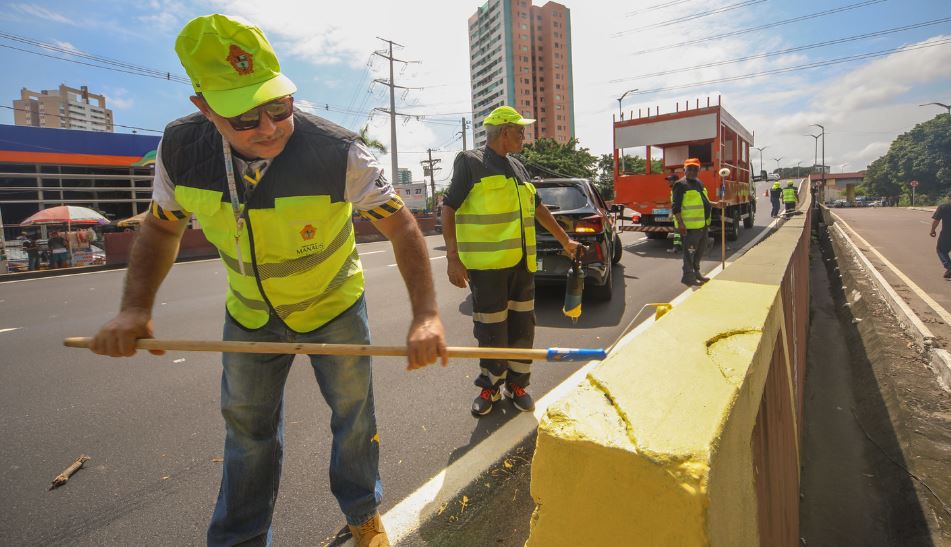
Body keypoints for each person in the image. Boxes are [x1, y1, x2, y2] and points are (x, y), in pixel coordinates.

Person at [89, 14, 447, 547]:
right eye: (245, 116)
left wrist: (425, 315)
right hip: (251, 316)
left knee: (353, 418)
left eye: (279, 106)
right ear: (204, 108)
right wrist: (135, 309)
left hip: (334, 309)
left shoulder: (339, 151)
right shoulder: (181, 151)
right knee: (248, 437)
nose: (270, 127)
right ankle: (240, 538)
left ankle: (363, 513)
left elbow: (402, 226)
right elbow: (161, 232)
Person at [442, 105, 579, 416]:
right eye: (520, 131)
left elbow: (538, 208)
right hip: (488, 268)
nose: (523, 136)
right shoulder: (470, 162)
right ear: (504, 131)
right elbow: (448, 208)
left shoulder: (518, 168)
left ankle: (517, 384)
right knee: (492, 329)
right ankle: (489, 387)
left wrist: (564, 240)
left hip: (522, 265)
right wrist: (452, 257)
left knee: (522, 327)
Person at [673, 158, 722, 286]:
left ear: (699, 170)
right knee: (689, 252)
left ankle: (697, 273)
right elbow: (676, 208)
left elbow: (704, 201)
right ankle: (688, 277)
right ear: (684, 170)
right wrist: (681, 224)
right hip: (690, 227)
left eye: (695, 169)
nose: (692, 171)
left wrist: (716, 204)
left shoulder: (699, 183)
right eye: (690, 169)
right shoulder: (680, 185)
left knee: (700, 251)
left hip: (703, 224)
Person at [930, 190, 951, 279]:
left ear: (949, 198)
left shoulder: (943, 207)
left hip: (947, 233)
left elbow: (936, 220)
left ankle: (949, 266)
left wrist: (932, 230)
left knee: (941, 250)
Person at [665, 174, 682, 253]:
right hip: (678, 216)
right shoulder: (674, 189)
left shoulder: (677, 189)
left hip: (680, 215)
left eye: (670, 180)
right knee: (678, 233)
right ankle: (677, 248)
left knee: (678, 233)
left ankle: (677, 248)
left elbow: (677, 203)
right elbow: (674, 203)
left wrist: (672, 213)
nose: (669, 182)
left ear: (675, 180)